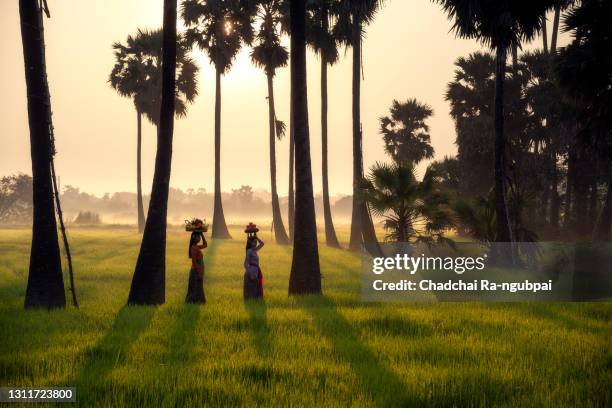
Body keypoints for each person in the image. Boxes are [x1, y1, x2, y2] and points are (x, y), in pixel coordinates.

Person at [186, 231, 207, 304]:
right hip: (195, 270)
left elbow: (205, 245)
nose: (199, 238)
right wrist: (199, 271)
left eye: (199, 236)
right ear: (194, 238)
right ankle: (193, 302)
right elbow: (194, 262)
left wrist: (202, 234)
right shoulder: (193, 248)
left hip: (199, 269)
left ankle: (199, 302)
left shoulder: (196, 247)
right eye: (198, 236)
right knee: (195, 286)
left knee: (199, 285)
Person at [243, 235, 264, 300]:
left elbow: (262, 244)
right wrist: (250, 273)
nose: (255, 244)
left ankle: (256, 300)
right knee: (252, 287)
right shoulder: (249, 251)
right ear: (250, 243)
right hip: (251, 270)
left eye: (256, 242)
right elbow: (245, 264)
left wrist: (257, 238)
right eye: (254, 242)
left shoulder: (255, 250)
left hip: (256, 270)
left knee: (256, 286)